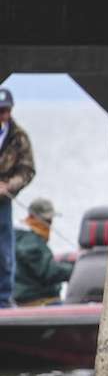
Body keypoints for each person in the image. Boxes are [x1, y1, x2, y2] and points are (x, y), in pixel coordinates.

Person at [0, 87, 36, 308]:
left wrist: (8, 186)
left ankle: (3, 299)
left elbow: (27, 170)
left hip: (4, 202)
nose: (2, 115)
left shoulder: (19, 137)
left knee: (4, 252)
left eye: (5, 111)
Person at [13, 198, 74, 306]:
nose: (49, 225)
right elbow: (49, 272)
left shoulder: (18, 235)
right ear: (31, 217)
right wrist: (76, 270)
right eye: (46, 220)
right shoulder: (30, 242)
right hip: (36, 300)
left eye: (50, 221)